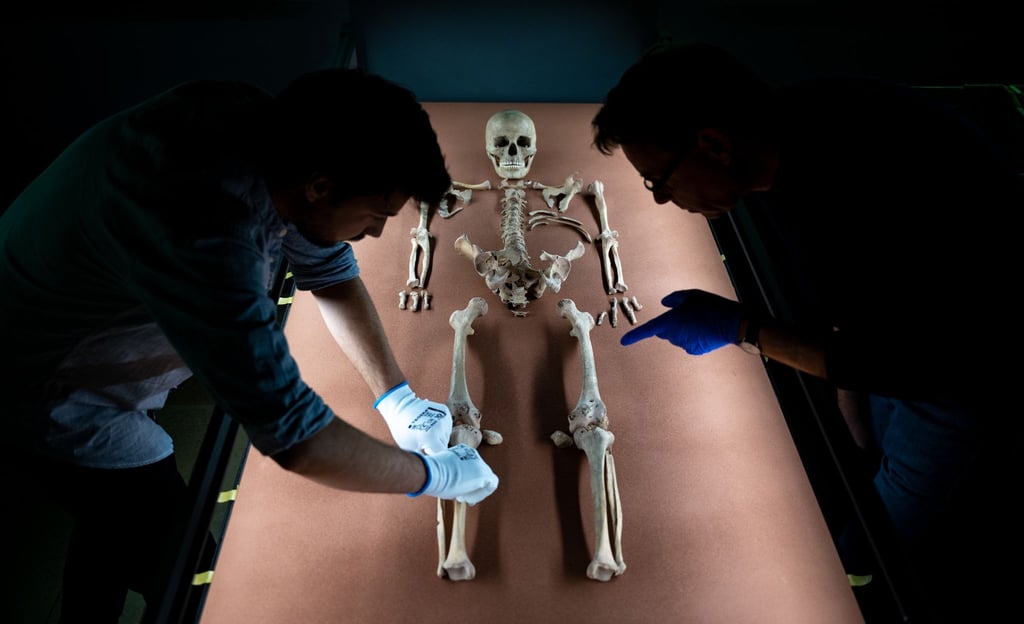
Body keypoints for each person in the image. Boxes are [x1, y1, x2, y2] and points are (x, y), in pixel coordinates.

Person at [0, 68, 498, 622]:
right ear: (319, 187)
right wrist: (434, 476)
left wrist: (396, 399)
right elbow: (296, 437)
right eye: (377, 215)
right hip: (46, 386)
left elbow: (328, 269)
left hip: (82, 336)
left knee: (113, 524)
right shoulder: (206, 228)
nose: (379, 233)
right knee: (184, 571)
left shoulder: (267, 133)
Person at [592, 42, 1020, 622]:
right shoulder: (801, 129)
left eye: (658, 180)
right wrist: (853, 414)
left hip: (971, 365)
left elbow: (912, 364)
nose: (664, 198)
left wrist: (742, 326)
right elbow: (852, 310)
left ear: (713, 144)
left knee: (876, 542)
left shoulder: (855, 184)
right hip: (911, 339)